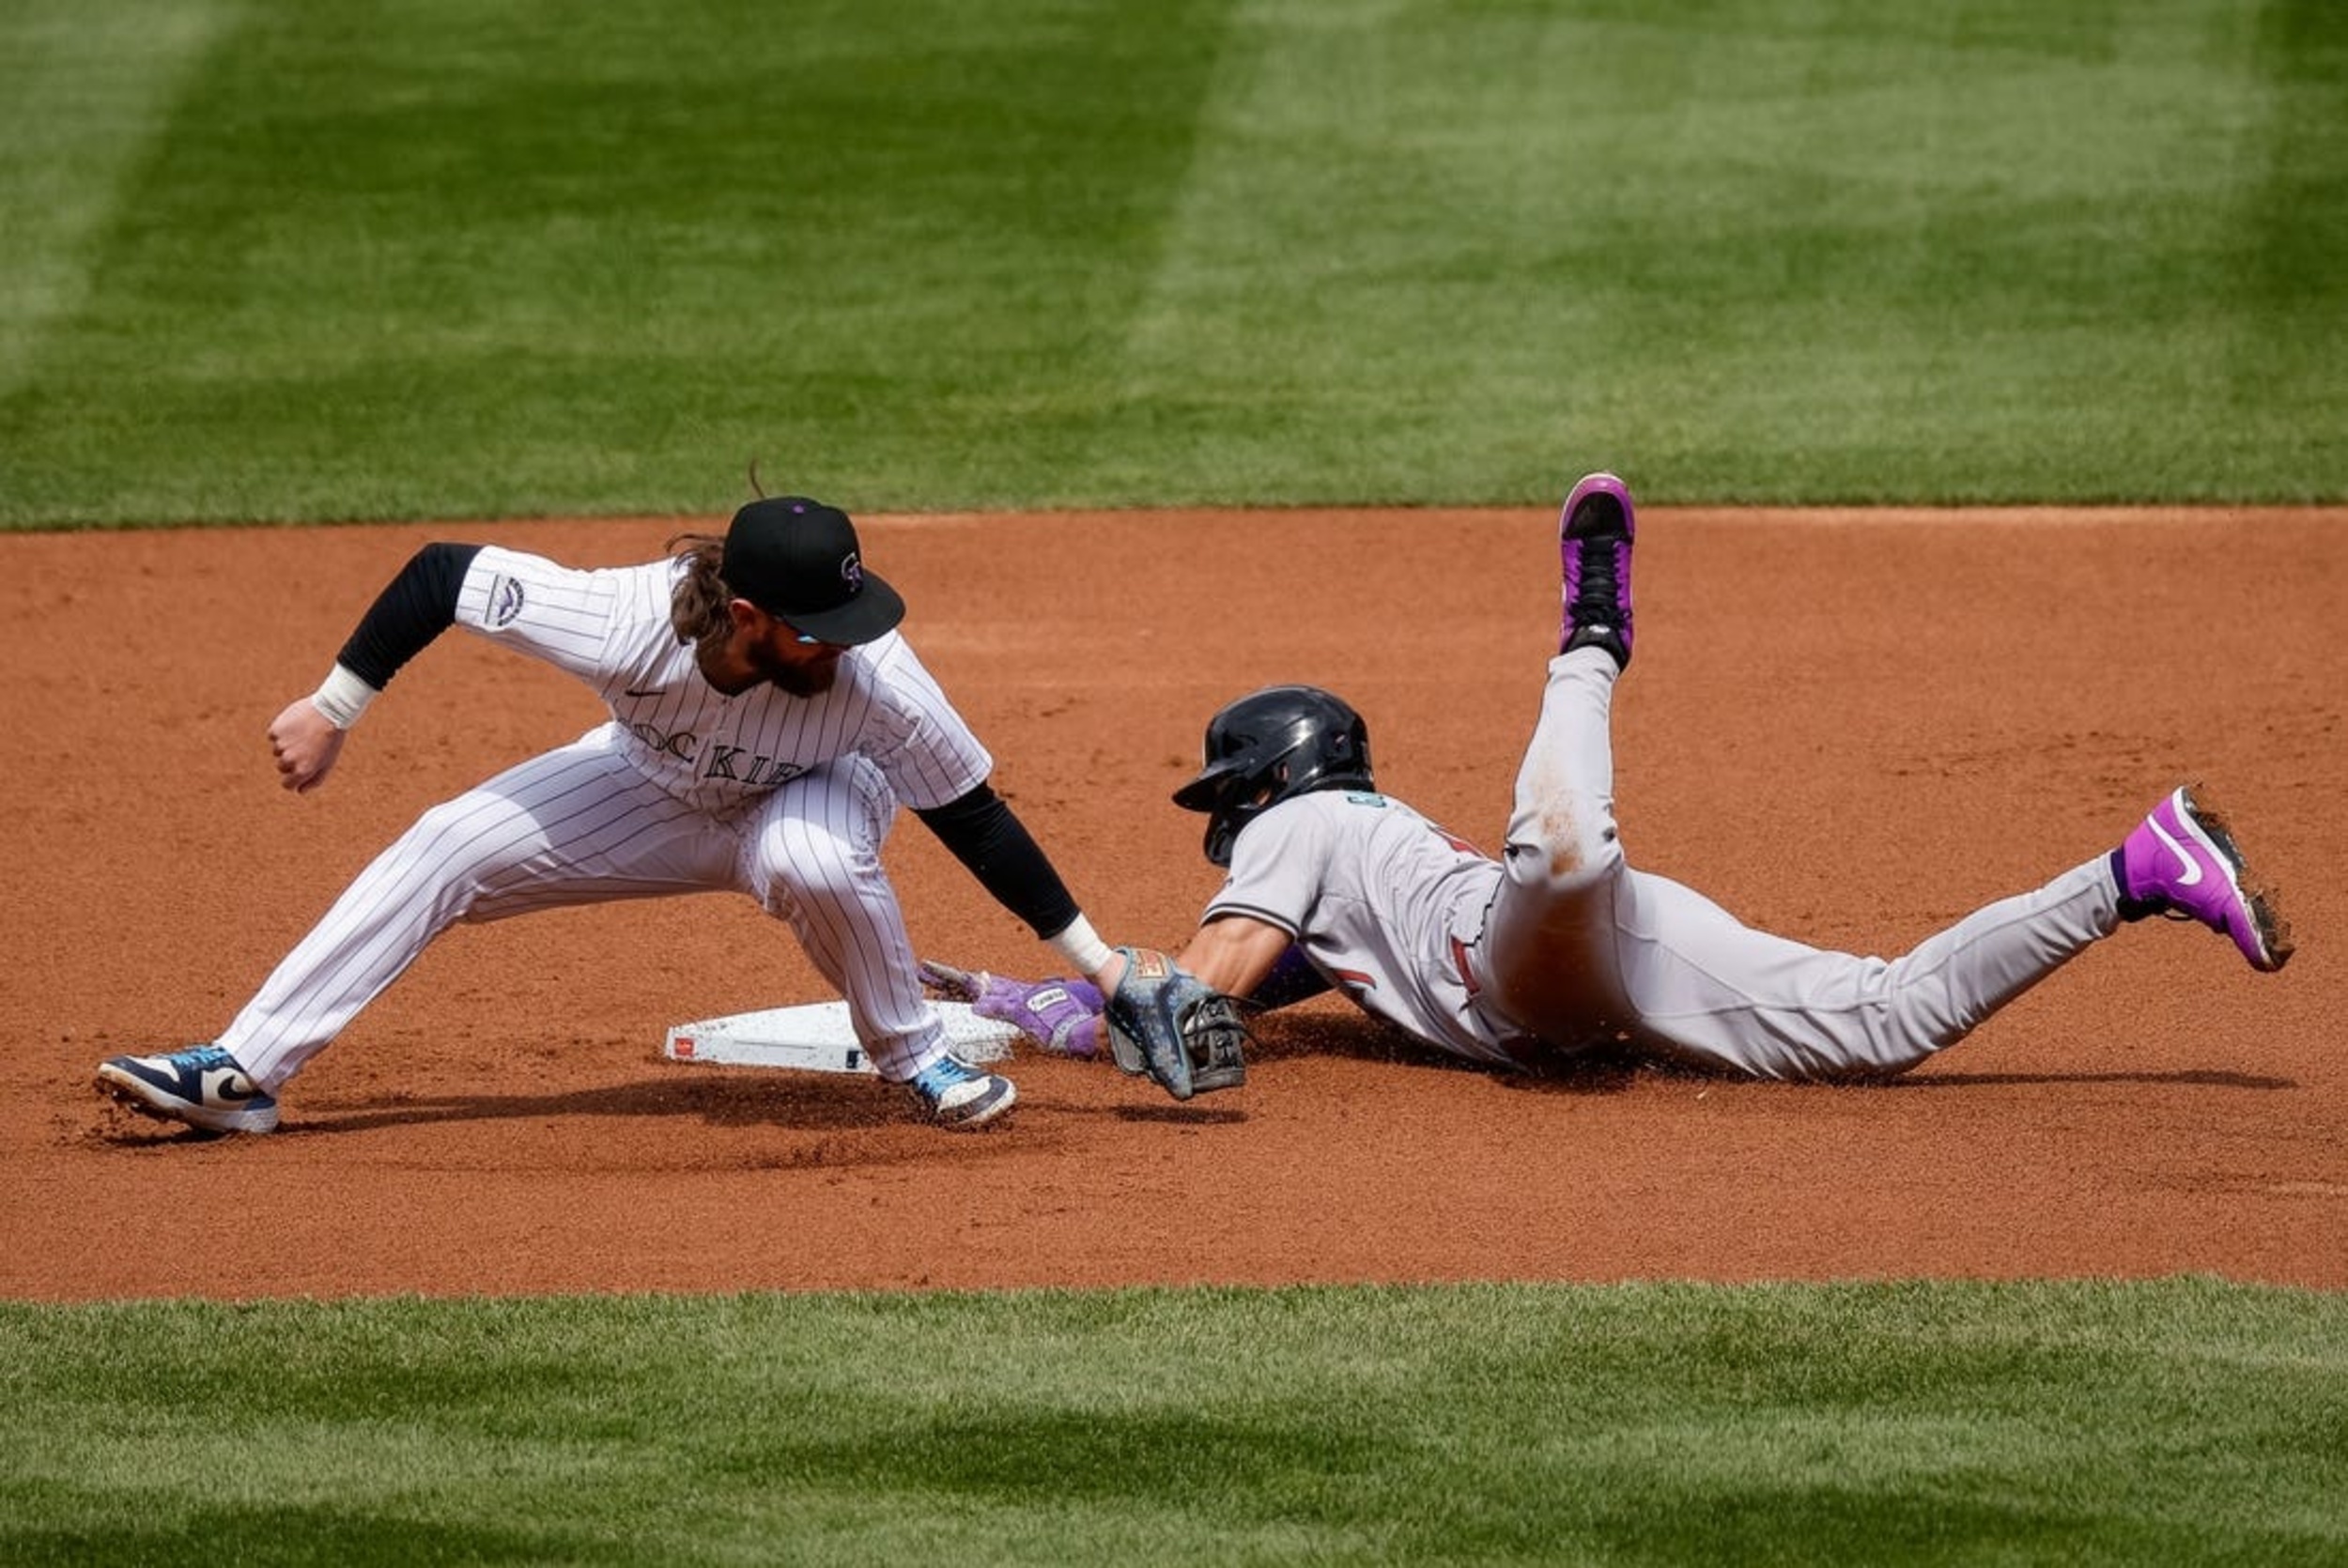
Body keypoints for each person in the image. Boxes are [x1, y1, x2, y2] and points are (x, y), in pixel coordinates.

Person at [924, 471, 2294, 1084]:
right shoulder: (1345, 871)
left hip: (1527, 944)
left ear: (1267, 782)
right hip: (1609, 971)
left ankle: (1590, 631)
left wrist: (1111, 993)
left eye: (1228, 800)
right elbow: (1240, 989)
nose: (1223, 830)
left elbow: (1206, 997)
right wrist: (1023, 996)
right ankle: (2137, 869)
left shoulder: (1312, 823)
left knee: (1563, 846)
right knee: (1880, 1022)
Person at [97, 494, 1138, 1134]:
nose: (841, 646)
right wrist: (332, 708)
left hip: (815, 796)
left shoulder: (876, 683)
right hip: (654, 785)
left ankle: (917, 1059)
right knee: (447, 843)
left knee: (812, 858)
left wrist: (1104, 968)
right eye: (816, 630)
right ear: (744, 616)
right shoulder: (623, 617)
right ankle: (243, 1072)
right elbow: (444, 573)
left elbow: (973, 813)